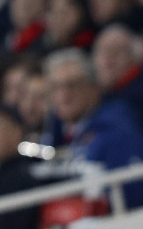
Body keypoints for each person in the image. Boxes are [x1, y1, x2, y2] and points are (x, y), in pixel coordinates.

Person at [39, 48, 143, 207]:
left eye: (72, 85)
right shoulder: (55, 132)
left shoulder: (117, 125)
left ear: (93, 87)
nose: (63, 96)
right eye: (55, 87)